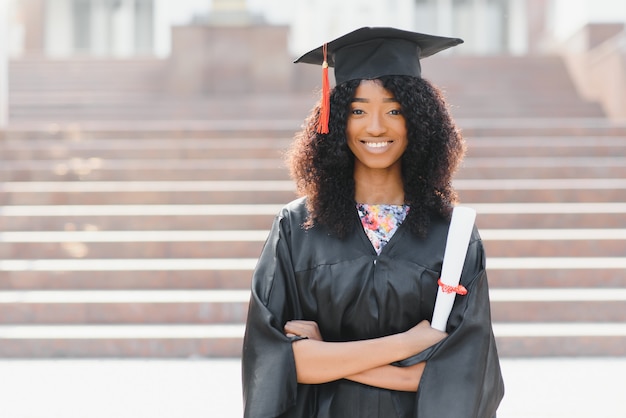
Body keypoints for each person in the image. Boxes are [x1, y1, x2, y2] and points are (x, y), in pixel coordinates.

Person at [242, 27, 504, 418]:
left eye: (394, 110)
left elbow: (468, 374)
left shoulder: (453, 234)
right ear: (335, 121)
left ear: (419, 120)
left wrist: (325, 357)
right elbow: (273, 364)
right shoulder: (297, 227)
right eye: (358, 110)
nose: (376, 127)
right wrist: (410, 345)